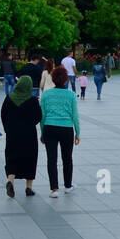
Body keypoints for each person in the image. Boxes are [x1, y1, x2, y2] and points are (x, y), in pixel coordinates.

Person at [40, 66, 80, 197]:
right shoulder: (71, 95)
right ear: (66, 79)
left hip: (49, 127)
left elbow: (43, 116)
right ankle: (68, 186)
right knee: (67, 158)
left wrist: (42, 133)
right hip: (66, 129)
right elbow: (75, 116)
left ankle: (54, 189)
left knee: (51, 159)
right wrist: (77, 133)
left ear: (52, 78)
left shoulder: (46, 94)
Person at [0, 75, 42, 197]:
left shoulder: (9, 98)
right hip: (29, 134)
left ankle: (10, 180)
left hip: (12, 133)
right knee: (30, 158)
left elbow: (3, 115)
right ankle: (29, 187)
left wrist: (8, 129)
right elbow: (38, 117)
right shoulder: (33, 100)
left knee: (12, 156)